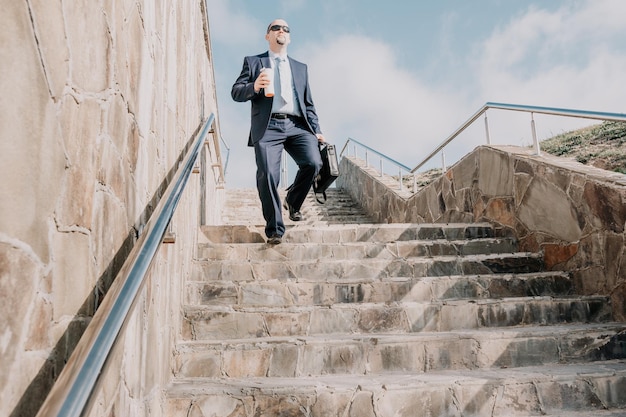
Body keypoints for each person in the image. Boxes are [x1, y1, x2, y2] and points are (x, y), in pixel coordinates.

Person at [232, 18, 325, 245]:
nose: (281, 30)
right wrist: (254, 87)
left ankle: (293, 201)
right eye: (275, 28)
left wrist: (317, 130)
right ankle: (274, 229)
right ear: (268, 36)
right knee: (268, 175)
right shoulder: (254, 62)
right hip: (268, 126)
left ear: (289, 37)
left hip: (298, 126)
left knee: (314, 163)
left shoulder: (301, 68)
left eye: (285, 29)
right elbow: (236, 92)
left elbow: (308, 104)